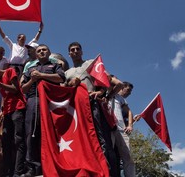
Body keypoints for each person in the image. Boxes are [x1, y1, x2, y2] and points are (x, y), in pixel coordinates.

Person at [64, 42, 118, 177]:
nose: (75, 51)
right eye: (72, 50)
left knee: (99, 136)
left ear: (82, 52)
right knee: (81, 137)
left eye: (77, 49)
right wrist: (71, 84)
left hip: (91, 103)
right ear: (69, 54)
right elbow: (63, 89)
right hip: (75, 109)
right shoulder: (67, 73)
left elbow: (107, 79)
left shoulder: (90, 63)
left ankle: (105, 169)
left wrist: (101, 92)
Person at [20, 44, 66, 177]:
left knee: (51, 132)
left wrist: (41, 75)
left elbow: (61, 78)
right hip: (33, 100)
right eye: (39, 51)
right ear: (36, 54)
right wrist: (33, 80)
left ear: (49, 52)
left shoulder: (55, 65)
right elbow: (23, 89)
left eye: (44, 50)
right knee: (31, 133)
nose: (41, 52)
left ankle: (52, 164)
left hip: (51, 101)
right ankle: (32, 168)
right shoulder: (31, 68)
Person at [0, 62, 27, 177]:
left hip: (18, 107)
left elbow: (15, 89)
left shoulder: (9, 71)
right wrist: (2, 109)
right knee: (6, 141)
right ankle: (8, 172)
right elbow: (5, 96)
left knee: (18, 139)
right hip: (7, 111)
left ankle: (18, 171)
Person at [109, 81, 136, 177]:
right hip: (108, 126)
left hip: (121, 128)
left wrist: (130, 125)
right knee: (108, 153)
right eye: (128, 90)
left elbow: (129, 112)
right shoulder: (107, 92)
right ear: (121, 87)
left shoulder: (121, 99)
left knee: (128, 156)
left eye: (130, 92)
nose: (129, 93)